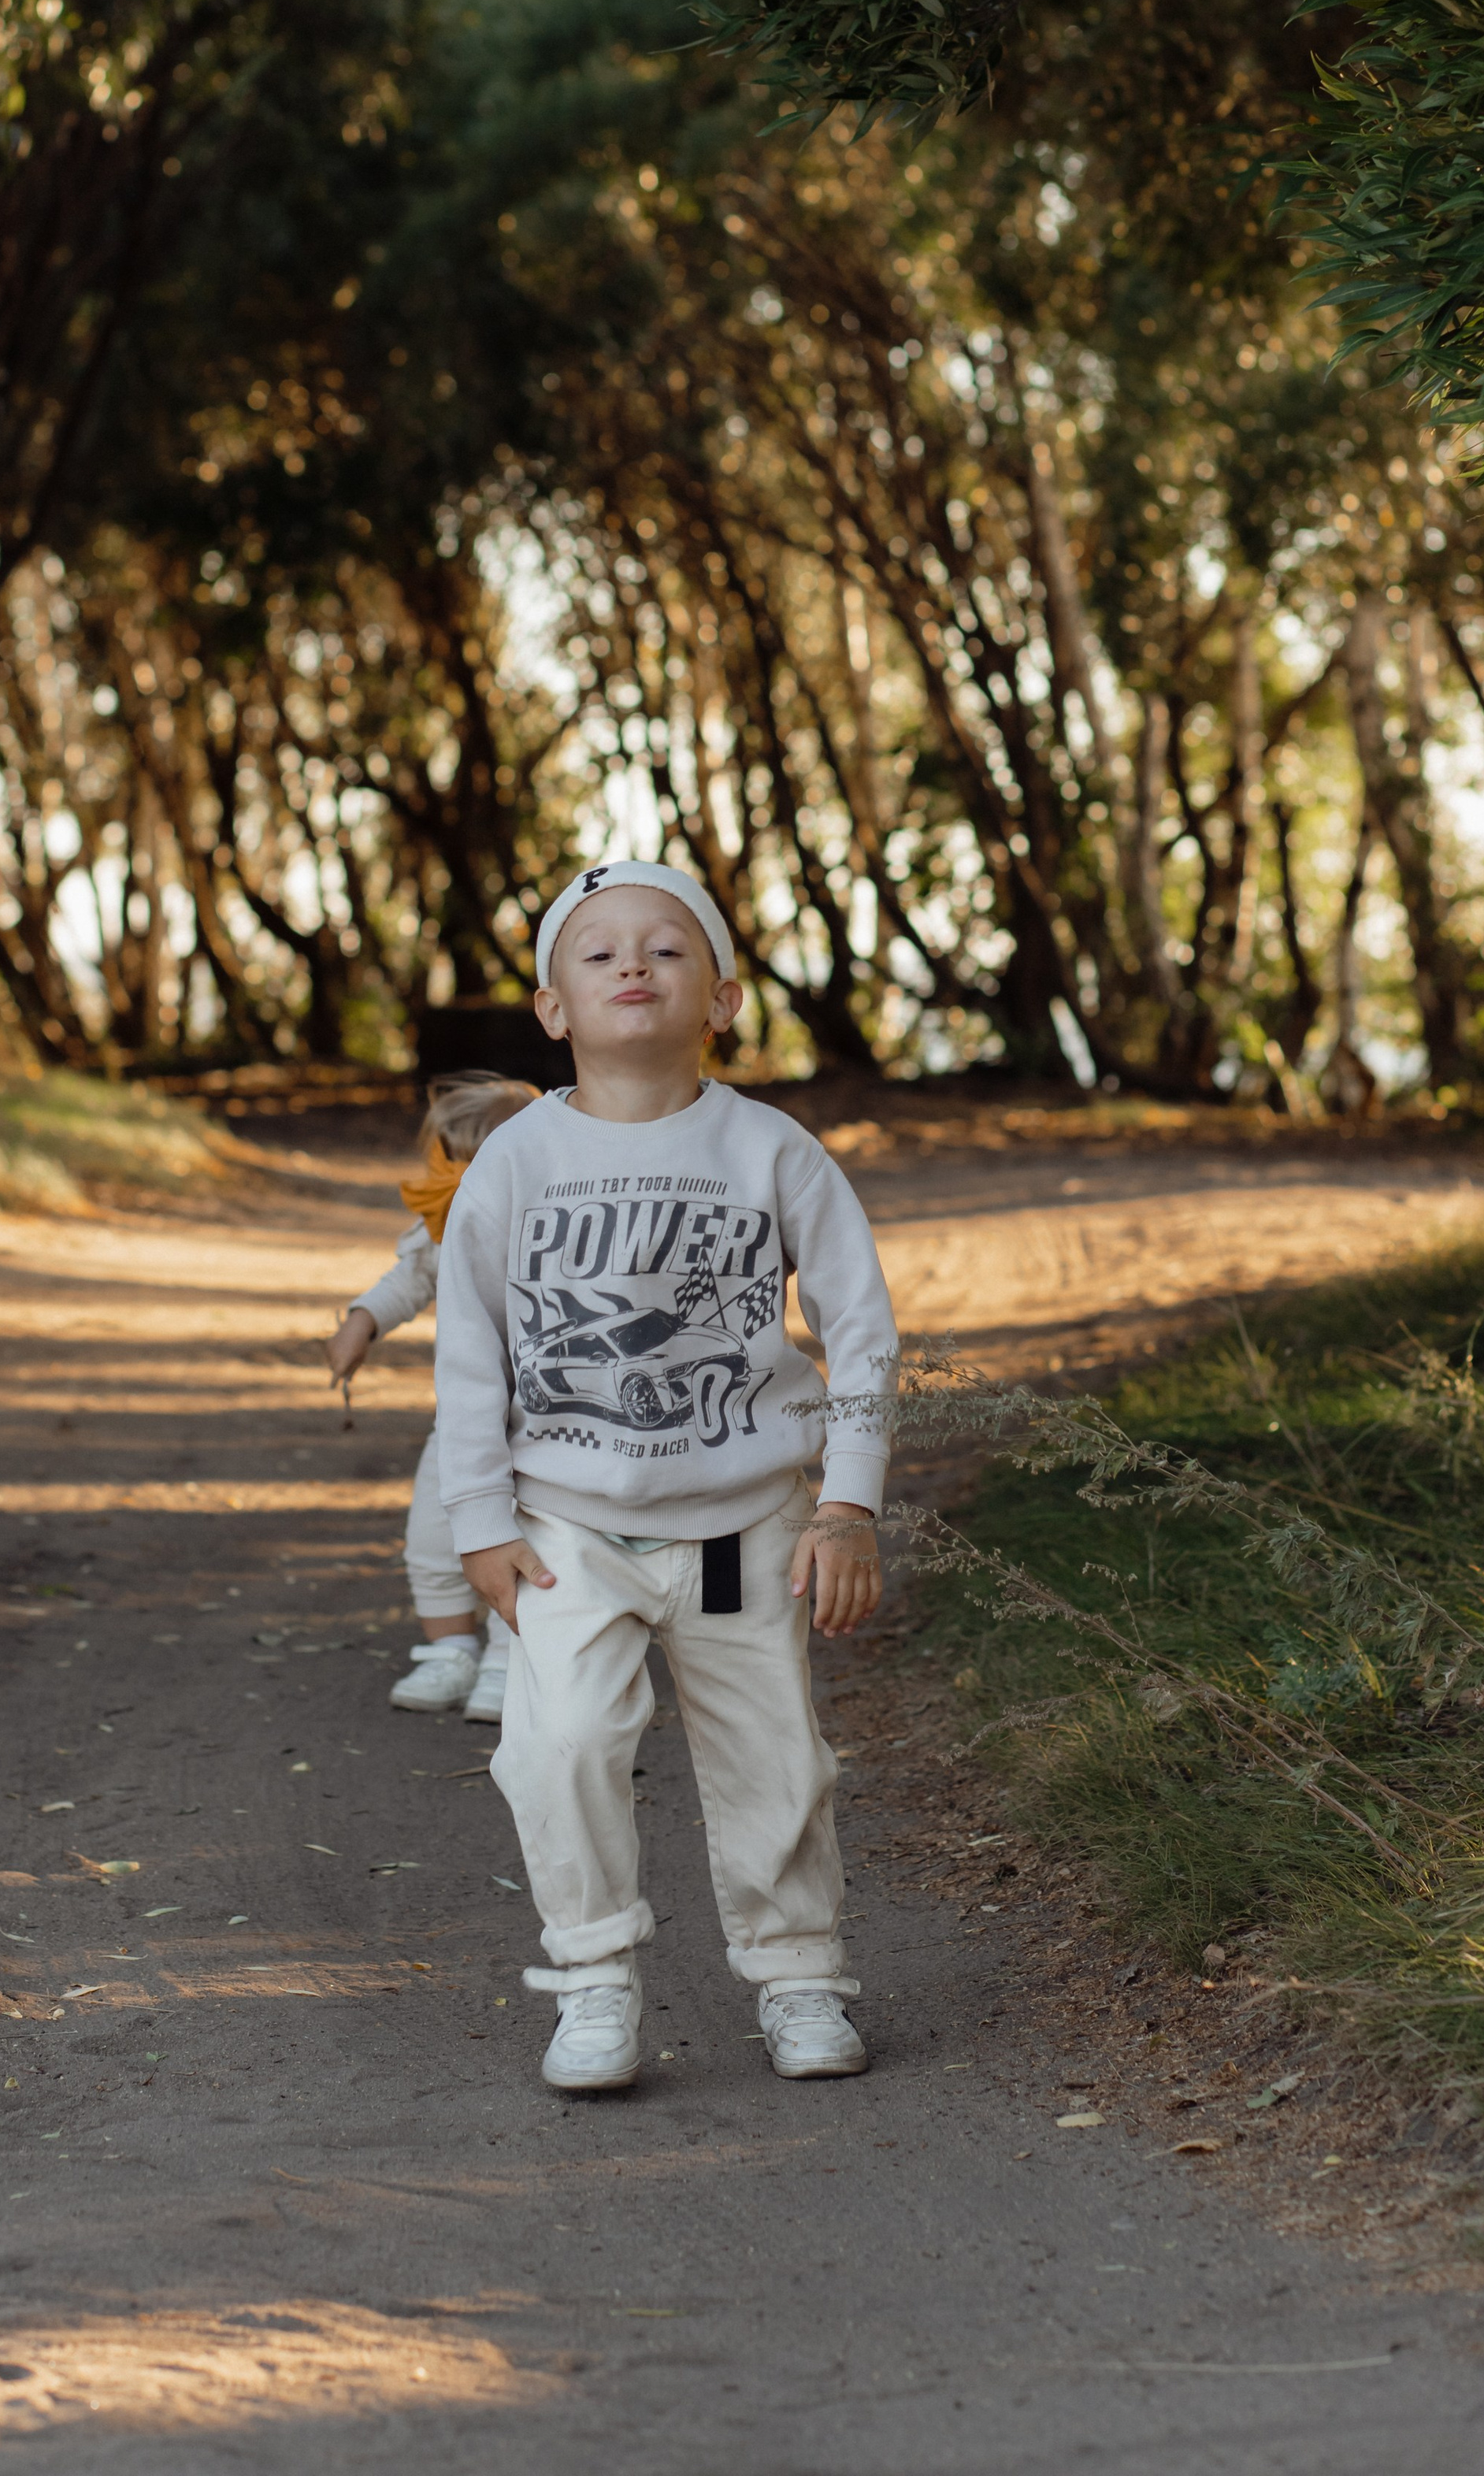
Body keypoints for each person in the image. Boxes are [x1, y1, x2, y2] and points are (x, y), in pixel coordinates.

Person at [432, 861, 898, 2093]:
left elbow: (860, 1330)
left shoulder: (772, 1151)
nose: (633, 963)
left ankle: (798, 1974)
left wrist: (848, 1503)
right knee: (561, 1743)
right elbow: (470, 1347)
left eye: (668, 948)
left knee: (773, 1758)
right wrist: (478, 1519)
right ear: (553, 1010)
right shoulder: (516, 1162)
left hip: (747, 1525)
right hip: (566, 1528)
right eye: (598, 953)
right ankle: (592, 1981)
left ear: (724, 999)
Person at [326, 1072, 539, 1721]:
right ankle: (451, 1652)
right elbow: (409, 1278)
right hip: (463, 1421)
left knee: (525, 1536)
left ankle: (511, 1656)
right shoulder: (446, 1225)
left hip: (545, 1424)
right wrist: (362, 1321)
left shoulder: (553, 1227)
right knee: (432, 1536)